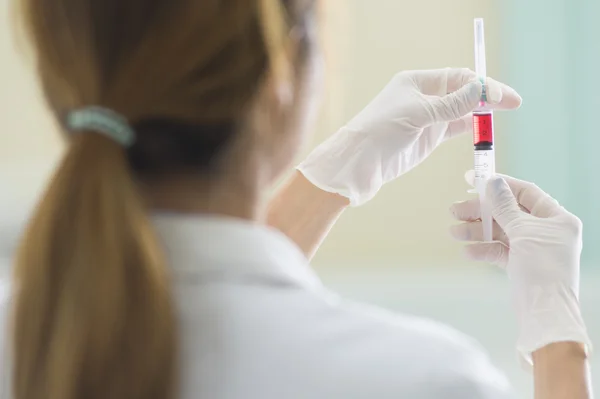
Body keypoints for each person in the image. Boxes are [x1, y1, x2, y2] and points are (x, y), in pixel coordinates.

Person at [0, 1, 592, 399]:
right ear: (284, 72)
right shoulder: (425, 380)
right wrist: (559, 341)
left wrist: (329, 181)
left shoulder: (29, 335)